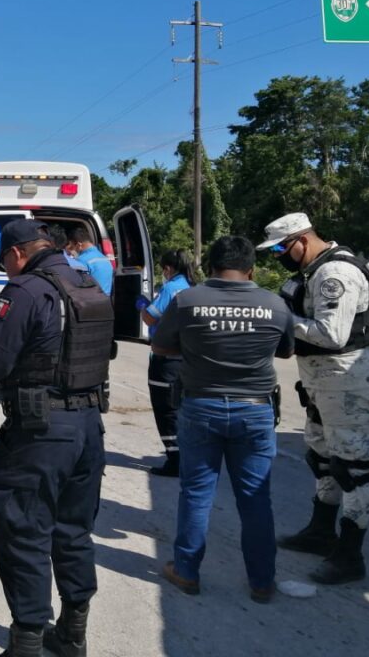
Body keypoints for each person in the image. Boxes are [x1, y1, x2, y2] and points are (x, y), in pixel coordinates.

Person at [0, 219, 112, 657]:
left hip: (41, 433)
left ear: (18, 253)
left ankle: (26, 643)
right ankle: (71, 634)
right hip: (88, 428)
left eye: (4, 261)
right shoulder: (88, 283)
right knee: (74, 532)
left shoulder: (26, 290)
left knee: (24, 530)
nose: (5, 270)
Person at [151, 236, 295, 603]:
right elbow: (285, 349)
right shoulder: (275, 304)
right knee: (255, 498)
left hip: (200, 406)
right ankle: (262, 582)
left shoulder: (187, 300)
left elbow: (160, 346)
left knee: (197, 495)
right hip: (255, 409)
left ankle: (186, 573)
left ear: (211, 266)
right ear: (252, 269)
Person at [257, 213, 369, 584]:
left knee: (353, 466)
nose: (278, 256)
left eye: (282, 248)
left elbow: (331, 334)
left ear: (302, 239)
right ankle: (320, 531)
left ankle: (350, 556)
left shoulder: (335, 275)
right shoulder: (312, 271)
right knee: (322, 457)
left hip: (349, 381)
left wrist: (280, 318)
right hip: (321, 381)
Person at [139, 249, 195, 477]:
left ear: (168, 268)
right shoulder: (193, 287)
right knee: (181, 408)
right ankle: (185, 455)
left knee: (166, 411)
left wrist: (142, 305)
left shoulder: (171, 288)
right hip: (187, 358)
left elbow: (150, 316)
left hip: (166, 358)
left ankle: (175, 459)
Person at [66, 227, 113, 295]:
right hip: (108, 300)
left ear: (79, 245)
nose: (73, 250)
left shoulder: (81, 260)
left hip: (94, 301)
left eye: (72, 247)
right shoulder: (103, 257)